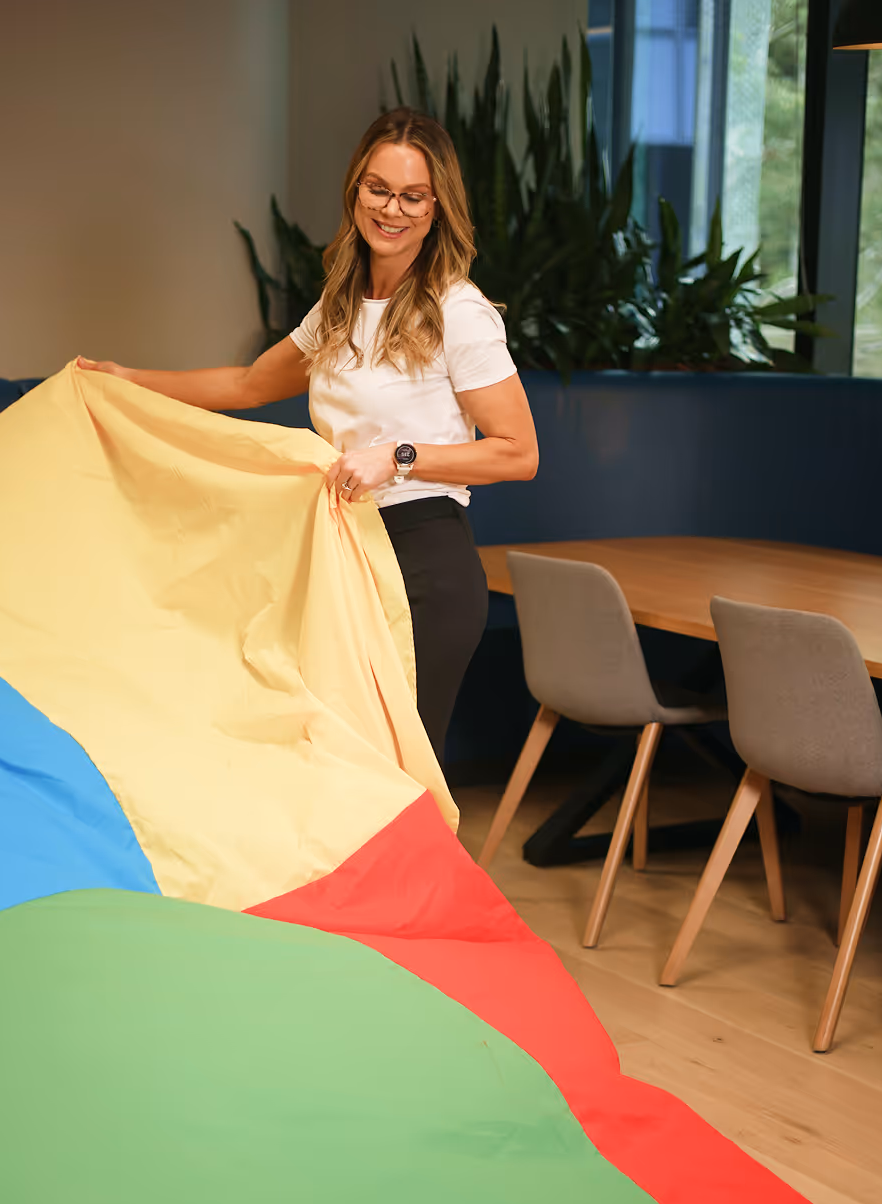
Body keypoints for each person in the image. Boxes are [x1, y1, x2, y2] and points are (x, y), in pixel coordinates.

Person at [79, 108, 539, 763]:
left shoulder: (457, 312)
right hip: (343, 555)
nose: (392, 209)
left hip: (422, 565)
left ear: (437, 209)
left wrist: (399, 458)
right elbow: (247, 385)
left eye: (413, 196)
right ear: (355, 190)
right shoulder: (340, 306)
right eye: (378, 189)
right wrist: (124, 380)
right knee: (335, 772)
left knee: (397, 778)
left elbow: (518, 454)